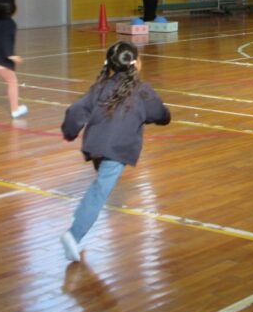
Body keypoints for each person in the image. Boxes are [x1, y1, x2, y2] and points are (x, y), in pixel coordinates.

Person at [59, 42, 171, 262]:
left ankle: (82, 214)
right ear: (136, 64)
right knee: (99, 191)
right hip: (117, 149)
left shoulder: (100, 86)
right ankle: (73, 235)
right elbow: (159, 112)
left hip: (95, 146)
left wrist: (69, 132)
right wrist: (165, 117)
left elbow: (75, 111)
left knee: (98, 187)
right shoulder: (142, 90)